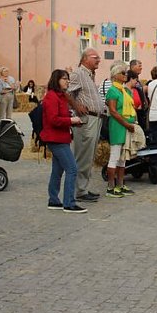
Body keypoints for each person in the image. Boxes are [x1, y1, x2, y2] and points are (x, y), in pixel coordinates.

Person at [41, 69, 87, 213]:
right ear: (56, 80)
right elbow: (53, 120)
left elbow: (61, 117)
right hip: (56, 139)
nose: (67, 81)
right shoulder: (51, 97)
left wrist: (73, 122)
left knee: (57, 170)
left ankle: (53, 200)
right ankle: (69, 203)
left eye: (68, 78)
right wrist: (70, 120)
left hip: (61, 137)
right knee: (72, 169)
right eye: (64, 79)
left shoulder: (61, 96)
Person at [67, 49, 104, 203]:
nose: (99, 60)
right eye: (95, 57)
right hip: (86, 120)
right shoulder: (78, 74)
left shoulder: (89, 75)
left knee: (89, 156)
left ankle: (83, 188)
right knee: (82, 156)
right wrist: (76, 105)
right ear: (85, 59)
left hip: (95, 119)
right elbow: (65, 92)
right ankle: (79, 191)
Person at [105, 62, 137, 198]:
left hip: (126, 125)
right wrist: (126, 123)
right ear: (115, 75)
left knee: (122, 158)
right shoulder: (112, 90)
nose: (125, 75)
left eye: (126, 73)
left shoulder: (124, 90)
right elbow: (113, 111)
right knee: (115, 156)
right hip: (118, 125)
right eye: (123, 73)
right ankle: (110, 187)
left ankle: (120, 184)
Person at [129, 59, 148, 131]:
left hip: (140, 110)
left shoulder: (137, 79)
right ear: (133, 66)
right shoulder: (130, 79)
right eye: (139, 66)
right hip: (135, 111)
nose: (141, 68)